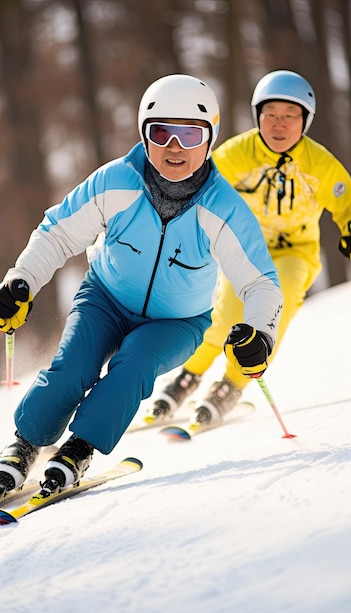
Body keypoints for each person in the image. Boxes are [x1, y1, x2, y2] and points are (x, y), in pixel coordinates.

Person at [0, 74, 282, 496]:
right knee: (72, 368)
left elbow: (261, 282)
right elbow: (58, 232)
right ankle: (25, 445)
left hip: (177, 322)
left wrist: (261, 332)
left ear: (210, 139)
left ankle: (79, 448)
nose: (175, 147)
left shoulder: (223, 208)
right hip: (105, 299)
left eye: (190, 134)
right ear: (143, 135)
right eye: (161, 132)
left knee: (132, 365)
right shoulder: (116, 181)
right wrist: (21, 281)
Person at [148, 69, 351, 424]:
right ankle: (188, 376)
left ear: (305, 121)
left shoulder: (318, 164)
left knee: (276, 304)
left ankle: (232, 383)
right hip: (245, 248)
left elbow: (345, 200)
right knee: (226, 315)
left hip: (295, 252)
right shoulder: (238, 154)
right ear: (258, 116)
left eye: (290, 116)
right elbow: (199, 183)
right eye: (270, 115)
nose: (278, 125)